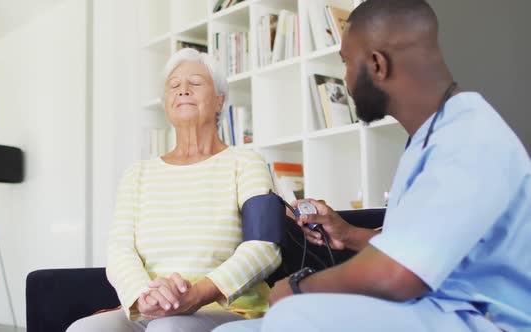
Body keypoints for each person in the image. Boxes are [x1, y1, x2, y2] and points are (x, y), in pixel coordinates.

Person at [215, 0, 531, 331]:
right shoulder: (430, 137)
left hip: (483, 320)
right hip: (436, 308)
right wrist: (348, 234)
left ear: (377, 65)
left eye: (347, 63)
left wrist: (300, 286)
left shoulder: (469, 141)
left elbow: (399, 276)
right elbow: (416, 247)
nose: (346, 79)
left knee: (294, 315)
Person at [67, 48, 282, 332]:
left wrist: (197, 294)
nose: (183, 90)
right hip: (151, 309)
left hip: (228, 309)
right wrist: (145, 297)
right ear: (166, 103)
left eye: (195, 83)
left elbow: (265, 246)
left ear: (219, 101)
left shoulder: (246, 162)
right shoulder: (137, 175)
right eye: (174, 86)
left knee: (168, 329)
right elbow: (120, 250)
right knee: (83, 330)